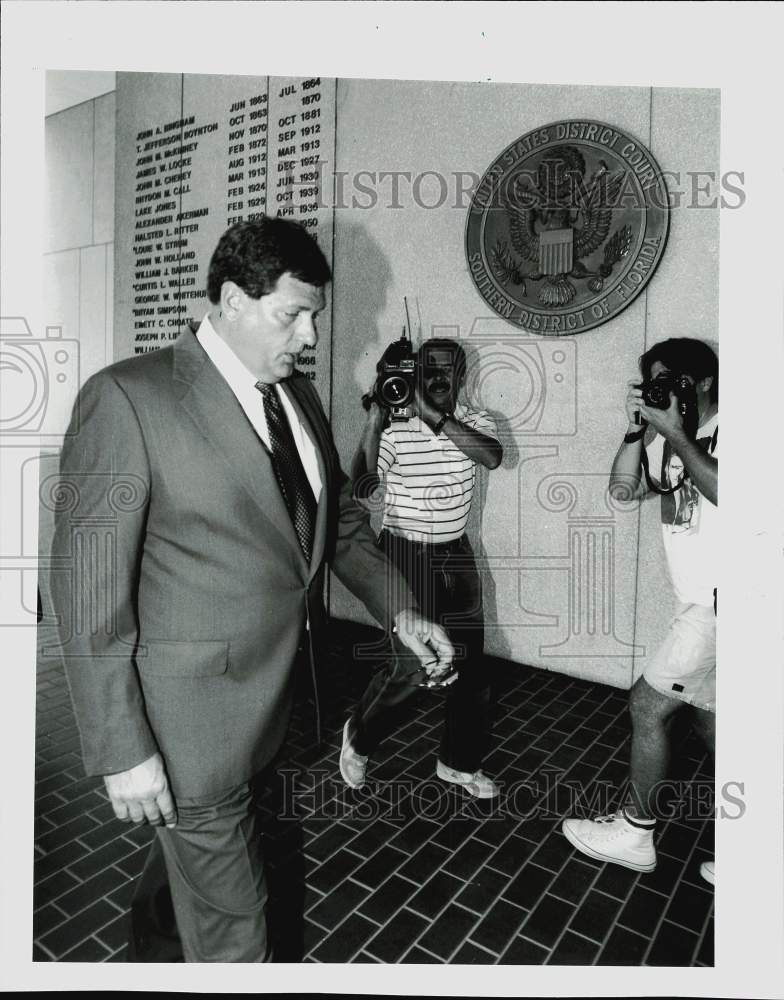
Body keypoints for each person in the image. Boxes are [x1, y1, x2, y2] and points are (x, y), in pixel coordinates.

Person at [49, 218, 453, 963]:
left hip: (276, 714)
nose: (309, 335)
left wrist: (401, 611)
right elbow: (86, 591)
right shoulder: (129, 399)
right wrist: (121, 748)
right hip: (189, 731)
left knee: (199, 888)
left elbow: (341, 531)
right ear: (233, 299)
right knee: (241, 934)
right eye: (290, 315)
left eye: (316, 317)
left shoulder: (296, 400)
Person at [562, 337, 718, 885]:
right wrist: (638, 429)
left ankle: (634, 834)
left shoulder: (742, 427)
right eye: (654, 382)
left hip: (724, 602)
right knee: (711, 718)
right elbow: (622, 490)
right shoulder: (667, 440)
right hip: (700, 601)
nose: (661, 391)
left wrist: (676, 431)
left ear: (701, 383)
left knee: (648, 708)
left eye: (670, 380)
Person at [340, 337, 504, 799]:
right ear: (413, 373)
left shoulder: (474, 420)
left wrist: (434, 416)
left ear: (460, 374)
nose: (435, 376)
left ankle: (459, 764)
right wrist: (375, 418)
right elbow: (363, 489)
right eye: (426, 367)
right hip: (404, 553)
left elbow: (491, 455)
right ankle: (360, 737)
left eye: (444, 368)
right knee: (414, 665)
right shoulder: (395, 429)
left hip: (456, 552)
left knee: (470, 669)